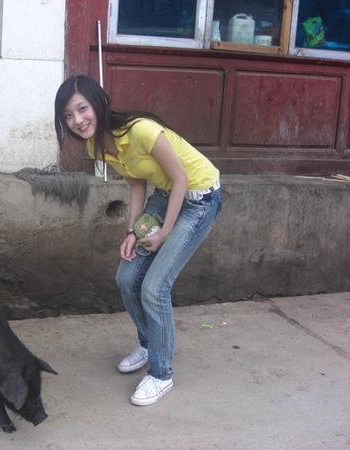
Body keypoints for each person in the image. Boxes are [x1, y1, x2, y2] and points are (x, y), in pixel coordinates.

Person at [54, 75, 222, 406]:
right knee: (127, 277)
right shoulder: (96, 147)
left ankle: (161, 375)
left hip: (199, 197)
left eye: (82, 109)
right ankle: (148, 343)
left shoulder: (142, 130)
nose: (77, 121)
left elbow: (181, 179)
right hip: (165, 195)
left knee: (155, 287)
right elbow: (136, 185)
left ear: (98, 103)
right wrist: (132, 231)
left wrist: (164, 233)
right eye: (68, 116)